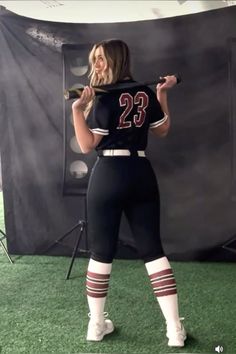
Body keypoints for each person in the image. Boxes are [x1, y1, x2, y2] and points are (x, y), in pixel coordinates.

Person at [72, 39, 186, 347]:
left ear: (116, 61)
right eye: (94, 59)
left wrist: (76, 110)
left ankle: (96, 326)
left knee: (100, 253)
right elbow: (162, 130)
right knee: (153, 251)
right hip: (141, 173)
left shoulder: (104, 99)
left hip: (108, 175)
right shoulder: (145, 92)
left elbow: (85, 146)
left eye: (101, 60)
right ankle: (174, 330)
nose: (96, 65)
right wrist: (161, 93)